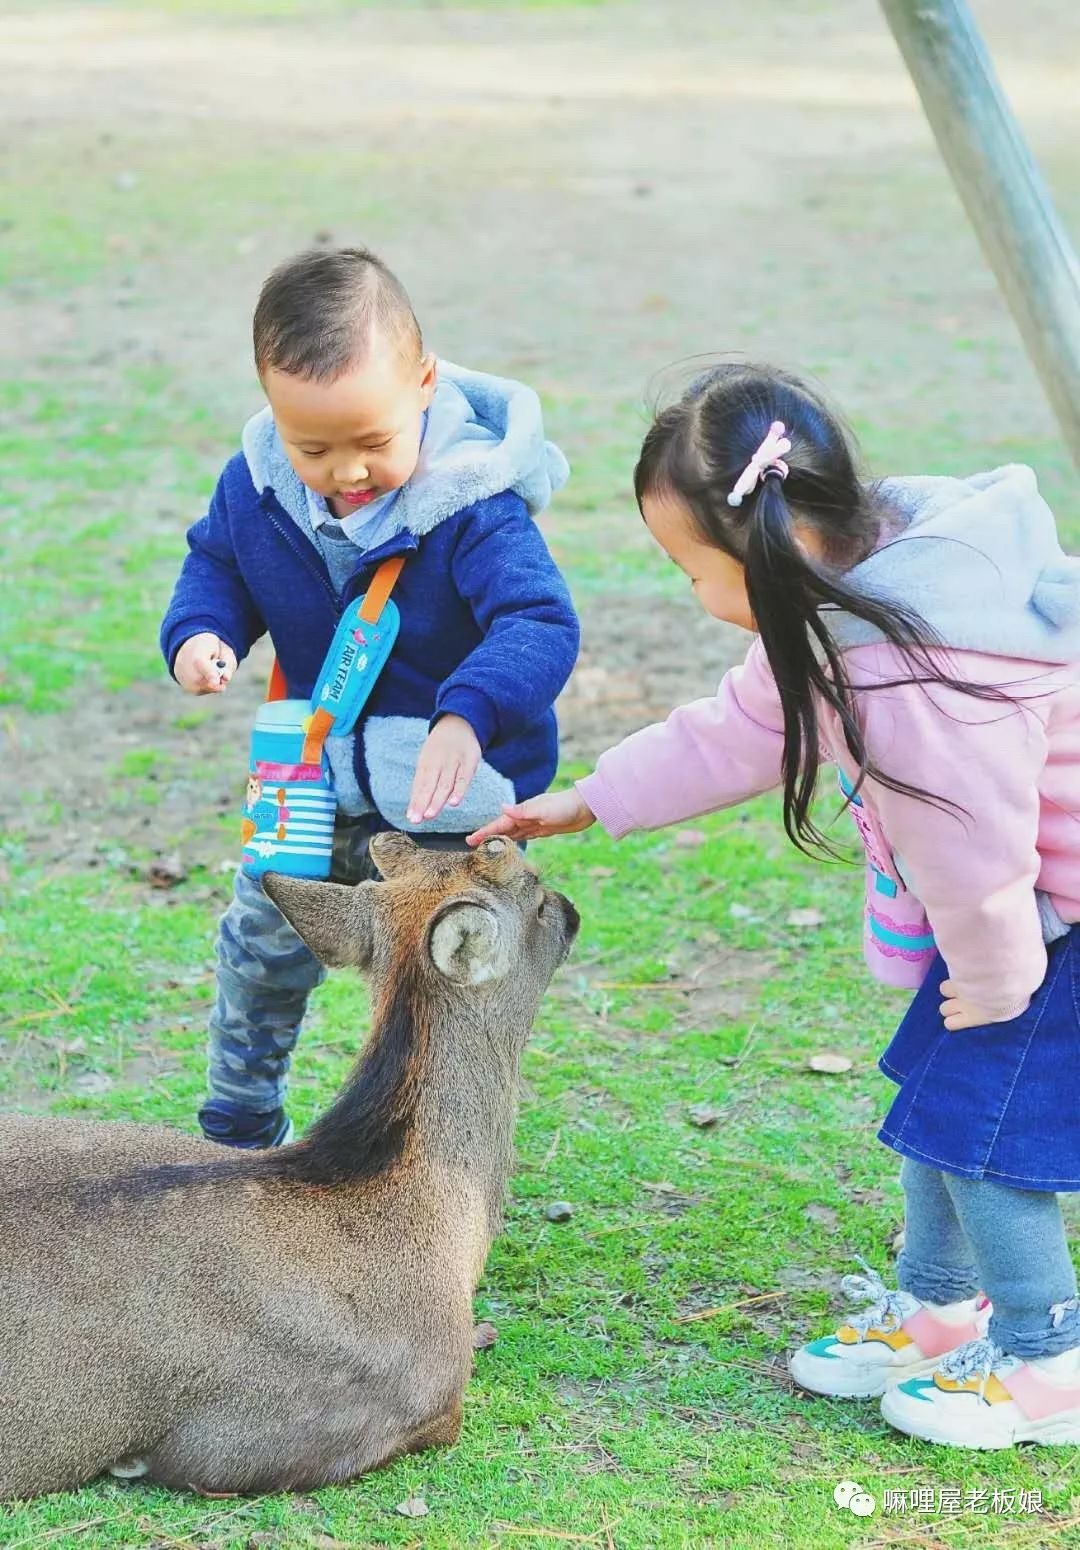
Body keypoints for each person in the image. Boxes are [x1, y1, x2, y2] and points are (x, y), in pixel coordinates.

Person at [467, 361, 1080, 1449]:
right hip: (1007, 912)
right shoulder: (848, 588)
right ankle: (944, 1306)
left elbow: (979, 850)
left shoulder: (914, 671)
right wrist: (593, 800)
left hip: (1042, 918)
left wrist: (994, 985)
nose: (689, 592)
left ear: (775, 547)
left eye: (690, 566)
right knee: (937, 1105)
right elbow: (734, 729)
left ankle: (1048, 1356)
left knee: (982, 1132)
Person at [160, 246, 578, 1150]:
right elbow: (217, 564)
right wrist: (203, 633)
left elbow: (539, 621)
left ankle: (430, 1155)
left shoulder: (475, 508)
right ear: (273, 412)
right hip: (310, 779)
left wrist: (469, 712)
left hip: (443, 801)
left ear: (424, 385)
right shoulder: (259, 487)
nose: (346, 471)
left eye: (374, 442)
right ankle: (237, 1128)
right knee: (264, 942)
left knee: (446, 975)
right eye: (314, 447)